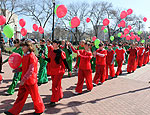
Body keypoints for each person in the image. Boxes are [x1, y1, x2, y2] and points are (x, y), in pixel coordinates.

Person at [4, 40, 45, 115]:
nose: (22, 48)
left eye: (24, 46)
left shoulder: (32, 56)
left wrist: (24, 79)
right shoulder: (25, 55)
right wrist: (18, 69)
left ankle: (40, 110)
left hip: (31, 81)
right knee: (20, 97)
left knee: (35, 97)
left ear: (28, 47)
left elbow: (31, 70)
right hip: (25, 80)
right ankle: (14, 111)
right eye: (22, 46)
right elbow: (24, 67)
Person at [42, 40, 71, 106]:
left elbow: (65, 61)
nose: (53, 44)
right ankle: (60, 95)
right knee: (58, 84)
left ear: (58, 44)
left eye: (54, 43)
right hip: (53, 71)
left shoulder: (61, 52)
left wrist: (69, 70)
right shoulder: (51, 51)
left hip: (59, 71)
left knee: (54, 86)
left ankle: (54, 100)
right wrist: (44, 58)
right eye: (53, 43)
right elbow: (50, 60)